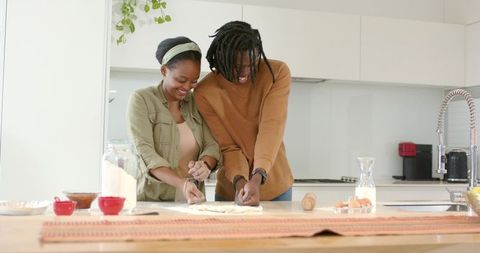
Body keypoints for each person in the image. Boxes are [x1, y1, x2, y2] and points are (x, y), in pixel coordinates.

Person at [194, 21, 294, 206]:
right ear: (221, 58)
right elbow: (227, 146)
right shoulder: (204, 92)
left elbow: (271, 127)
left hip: (276, 188)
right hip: (231, 188)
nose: (245, 73)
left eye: (252, 64)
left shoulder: (276, 73)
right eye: (237, 66)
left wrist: (257, 177)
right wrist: (240, 182)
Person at [127, 36, 221, 204]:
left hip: (194, 202)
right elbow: (146, 153)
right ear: (164, 71)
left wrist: (205, 165)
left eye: (194, 81)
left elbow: (212, 145)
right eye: (181, 80)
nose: (187, 87)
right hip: (152, 201)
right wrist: (182, 184)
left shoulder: (196, 102)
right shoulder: (142, 100)